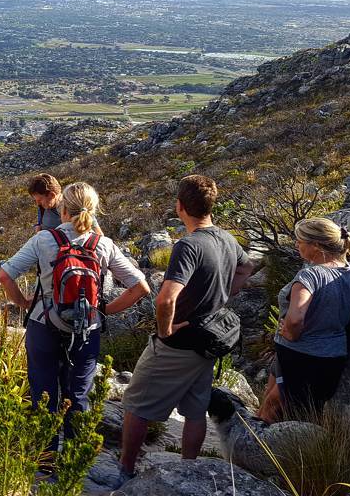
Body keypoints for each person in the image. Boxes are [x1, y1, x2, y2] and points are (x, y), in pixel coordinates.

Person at [117, 175, 254, 482]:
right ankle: (188, 467)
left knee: (137, 403)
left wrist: (165, 331)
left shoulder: (189, 246)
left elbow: (166, 299)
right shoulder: (226, 238)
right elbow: (247, 267)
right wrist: (226, 293)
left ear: (180, 207)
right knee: (195, 408)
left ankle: (125, 469)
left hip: (179, 342)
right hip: (209, 338)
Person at [0, 181, 150, 453]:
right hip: (85, 330)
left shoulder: (44, 240)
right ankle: (72, 462)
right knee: (78, 395)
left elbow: (5, 275)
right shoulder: (103, 244)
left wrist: (22, 302)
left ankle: (46, 463)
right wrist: (104, 310)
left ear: (63, 210)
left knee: (43, 393)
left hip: (43, 325)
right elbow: (140, 287)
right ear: (93, 211)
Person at [257, 216, 350, 423]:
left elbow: (295, 320)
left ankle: (264, 450)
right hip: (331, 355)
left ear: (316, 246)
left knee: (278, 411)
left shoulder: (309, 277)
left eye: (300, 241)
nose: (297, 245)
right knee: (282, 403)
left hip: (299, 355)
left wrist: (289, 334)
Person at [29, 173, 101, 235]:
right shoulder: (43, 207)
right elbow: (40, 223)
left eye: (40, 200)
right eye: (36, 200)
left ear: (52, 195)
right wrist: (38, 228)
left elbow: (98, 234)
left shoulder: (76, 207)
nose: (38, 203)